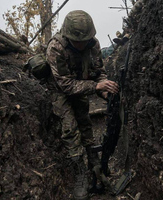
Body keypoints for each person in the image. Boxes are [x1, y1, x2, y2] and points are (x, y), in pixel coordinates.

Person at [46, 10, 119, 200]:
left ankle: (94, 164)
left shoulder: (93, 44)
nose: (83, 44)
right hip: (60, 90)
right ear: (68, 36)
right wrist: (96, 86)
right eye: (79, 41)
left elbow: (98, 72)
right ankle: (80, 173)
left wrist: (104, 91)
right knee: (70, 129)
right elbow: (66, 85)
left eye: (86, 39)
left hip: (82, 86)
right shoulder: (56, 48)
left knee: (85, 124)